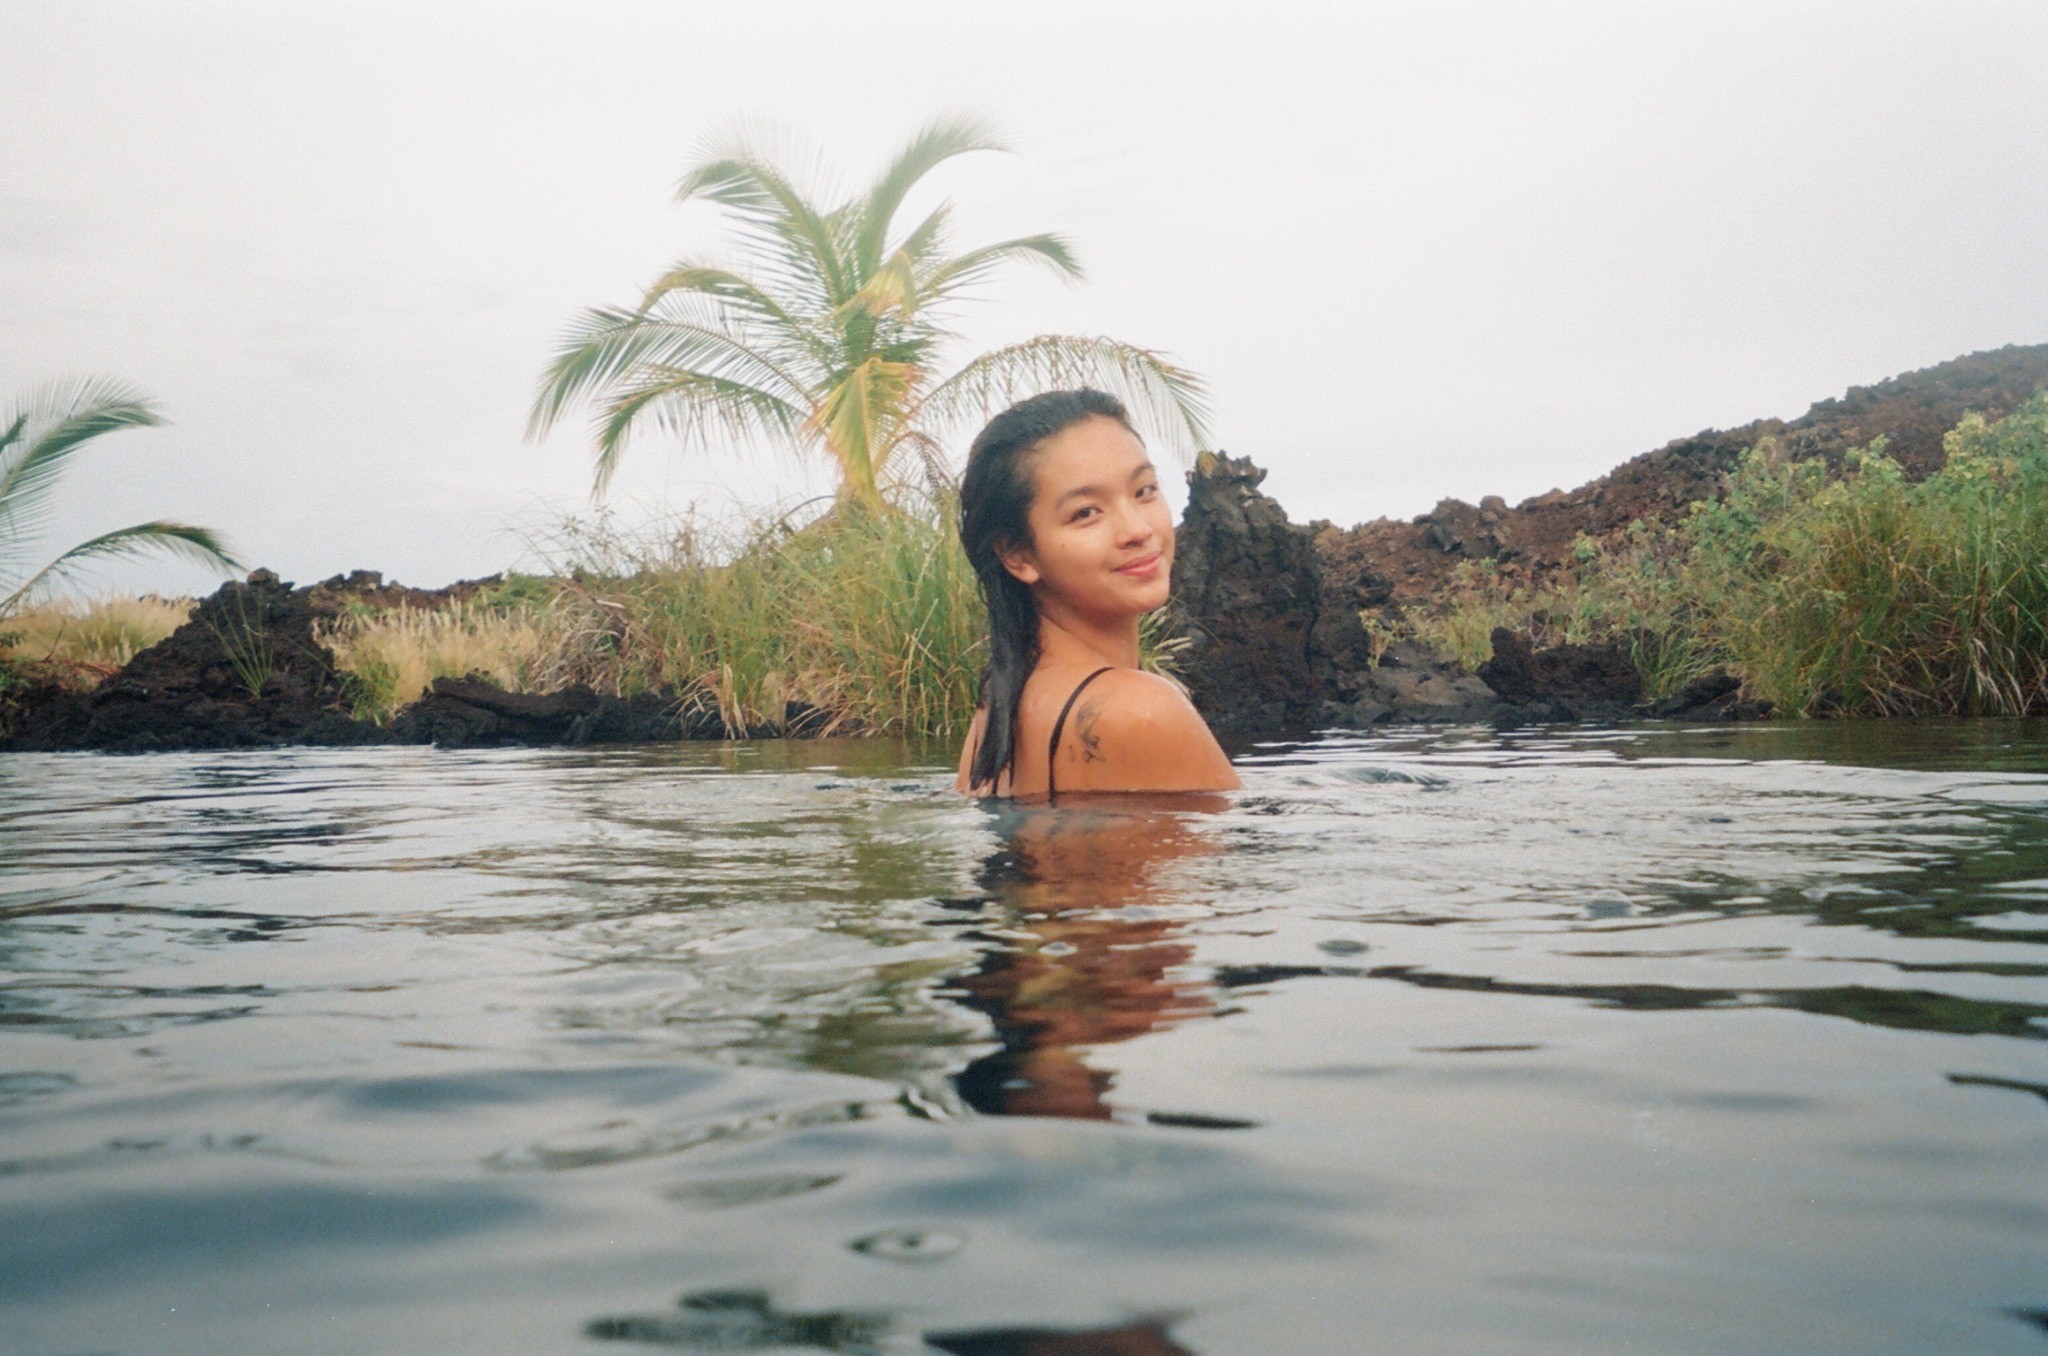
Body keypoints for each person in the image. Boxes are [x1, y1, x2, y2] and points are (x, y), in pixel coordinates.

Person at [954, 389, 1240, 799]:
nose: (1137, 529)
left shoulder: (997, 715)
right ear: (1018, 554)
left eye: (1144, 490)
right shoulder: (1139, 711)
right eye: (1086, 512)